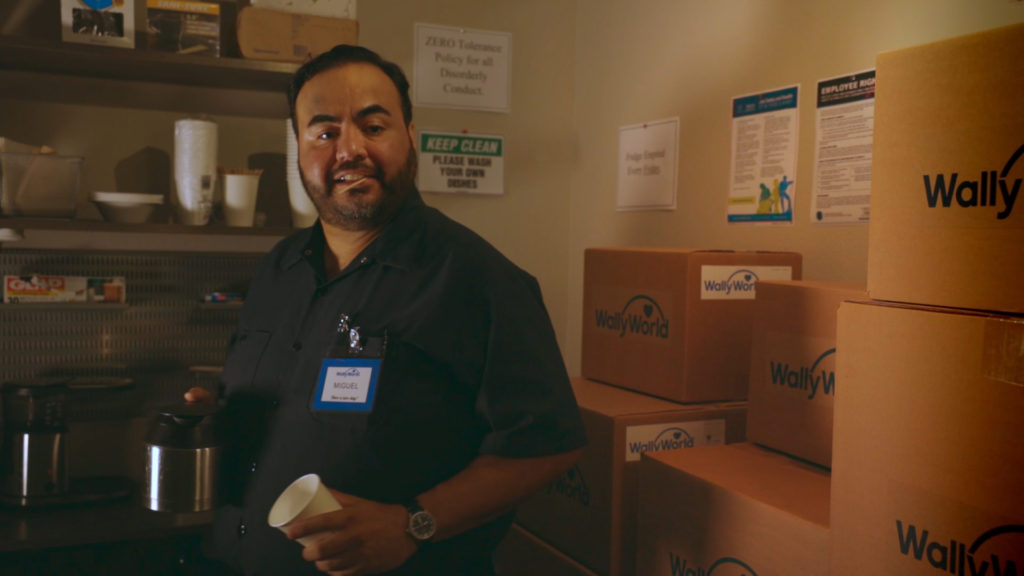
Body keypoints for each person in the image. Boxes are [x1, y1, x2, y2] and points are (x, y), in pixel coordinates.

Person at [184, 44, 587, 576]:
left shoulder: (475, 278)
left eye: (373, 127)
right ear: (299, 148)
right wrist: (219, 414)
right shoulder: (280, 267)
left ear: (410, 135)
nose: (349, 149)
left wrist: (412, 523)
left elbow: (547, 446)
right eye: (325, 132)